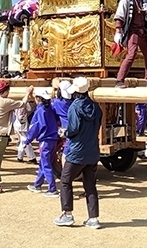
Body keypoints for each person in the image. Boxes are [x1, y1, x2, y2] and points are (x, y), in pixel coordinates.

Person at [54, 77, 103, 229]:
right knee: (90, 185)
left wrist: (64, 132)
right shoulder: (96, 106)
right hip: (92, 150)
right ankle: (93, 218)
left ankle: (67, 214)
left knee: (65, 181)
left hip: (77, 150)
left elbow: (74, 129)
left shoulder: (75, 107)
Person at [0, 80, 34, 193]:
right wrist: (27, 93)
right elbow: (23, 104)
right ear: (5, 91)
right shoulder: (6, 102)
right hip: (1, 135)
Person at [26, 88, 60, 197]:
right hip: (53, 139)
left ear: (38, 99)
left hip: (45, 140)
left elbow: (35, 127)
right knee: (44, 163)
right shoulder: (51, 108)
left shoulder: (39, 111)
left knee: (46, 165)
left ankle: (52, 189)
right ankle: (37, 184)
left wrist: (27, 140)